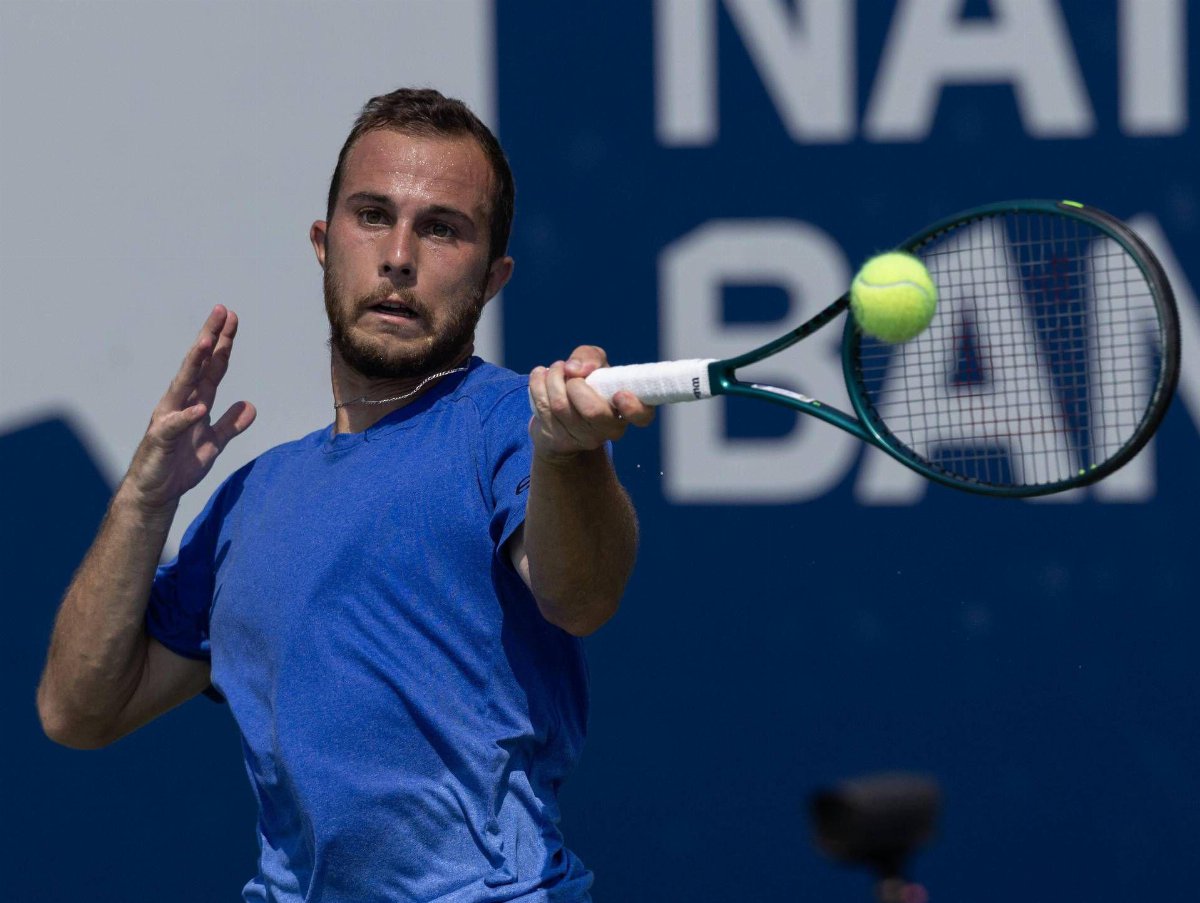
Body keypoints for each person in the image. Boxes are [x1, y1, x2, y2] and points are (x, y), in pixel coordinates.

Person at [36, 88, 652, 902]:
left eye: (441, 228)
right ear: (324, 244)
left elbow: (581, 595)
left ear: (494, 275)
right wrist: (146, 498)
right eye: (372, 216)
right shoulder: (250, 499)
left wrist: (570, 455)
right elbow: (77, 711)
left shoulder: (509, 425)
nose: (399, 255)